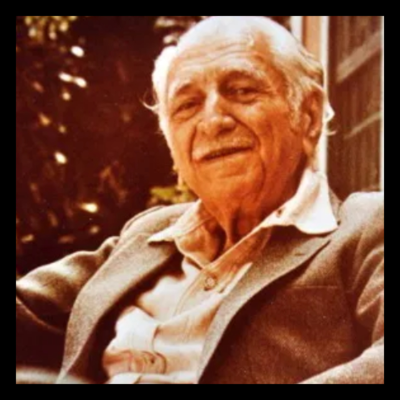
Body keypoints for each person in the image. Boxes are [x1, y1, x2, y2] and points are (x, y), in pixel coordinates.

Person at [16, 16, 384, 384]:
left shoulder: (365, 228)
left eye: (242, 91)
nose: (212, 122)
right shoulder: (146, 235)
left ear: (309, 114)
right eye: (187, 105)